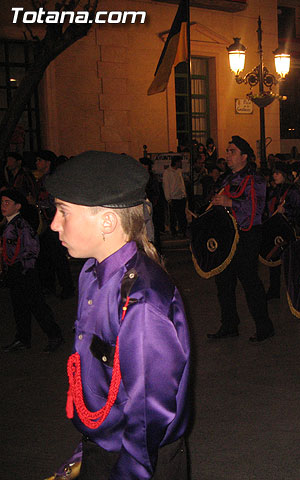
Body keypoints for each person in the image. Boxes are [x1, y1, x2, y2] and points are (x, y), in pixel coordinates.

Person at [46, 151, 190, 478]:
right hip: (103, 440)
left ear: (108, 222)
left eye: (64, 211)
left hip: (140, 458)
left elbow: (147, 413)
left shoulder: (142, 299)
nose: (55, 224)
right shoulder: (91, 273)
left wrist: (127, 472)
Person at [206, 136, 275, 342]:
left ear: (244, 156)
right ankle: (229, 324)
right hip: (226, 236)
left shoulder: (255, 179)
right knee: (223, 282)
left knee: (250, 282)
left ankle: (264, 326)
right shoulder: (226, 178)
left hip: (246, 235)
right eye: (227, 151)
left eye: (232, 151)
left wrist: (229, 202)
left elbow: (254, 211)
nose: (227, 155)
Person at [1, 188, 63, 353]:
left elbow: (32, 247)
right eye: (2, 202)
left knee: (37, 305)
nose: (3, 205)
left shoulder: (21, 224)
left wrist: (25, 267)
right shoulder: (8, 223)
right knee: (19, 306)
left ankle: (55, 335)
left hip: (25, 271)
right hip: (14, 271)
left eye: (7, 202)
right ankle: (22, 338)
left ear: (18, 206)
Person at [34, 150, 75, 298]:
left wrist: (40, 204)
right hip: (44, 222)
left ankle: (67, 287)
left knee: (58, 255)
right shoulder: (42, 179)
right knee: (45, 255)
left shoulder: (54, 180)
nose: (37, 163)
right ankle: (48, 285)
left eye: (40, 160)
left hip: (54, 221)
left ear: (48, 162)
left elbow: (56, 202)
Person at [264, 161, 300, 300]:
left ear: (284, 175)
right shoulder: (275, 190)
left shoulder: (293, 191)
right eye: (274, 173)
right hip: (275, 229)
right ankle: (274, 290)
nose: (274, 175)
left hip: (287, 230)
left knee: (289, 262)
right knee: (273, 259)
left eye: (277, 173)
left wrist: (286, 210)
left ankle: (293, 291)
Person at [162, 156, 187, 237]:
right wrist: (168, 198)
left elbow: (181, 184)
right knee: (173, 216)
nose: (181, 163)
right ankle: (173, 231)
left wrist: (184, 194)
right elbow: (166, 185)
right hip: (173, 198)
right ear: (176, 162)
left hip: (181, 197)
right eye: (179, 162)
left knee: (182, 215)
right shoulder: (167, 172)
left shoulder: (179, 171)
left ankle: (182, 230)